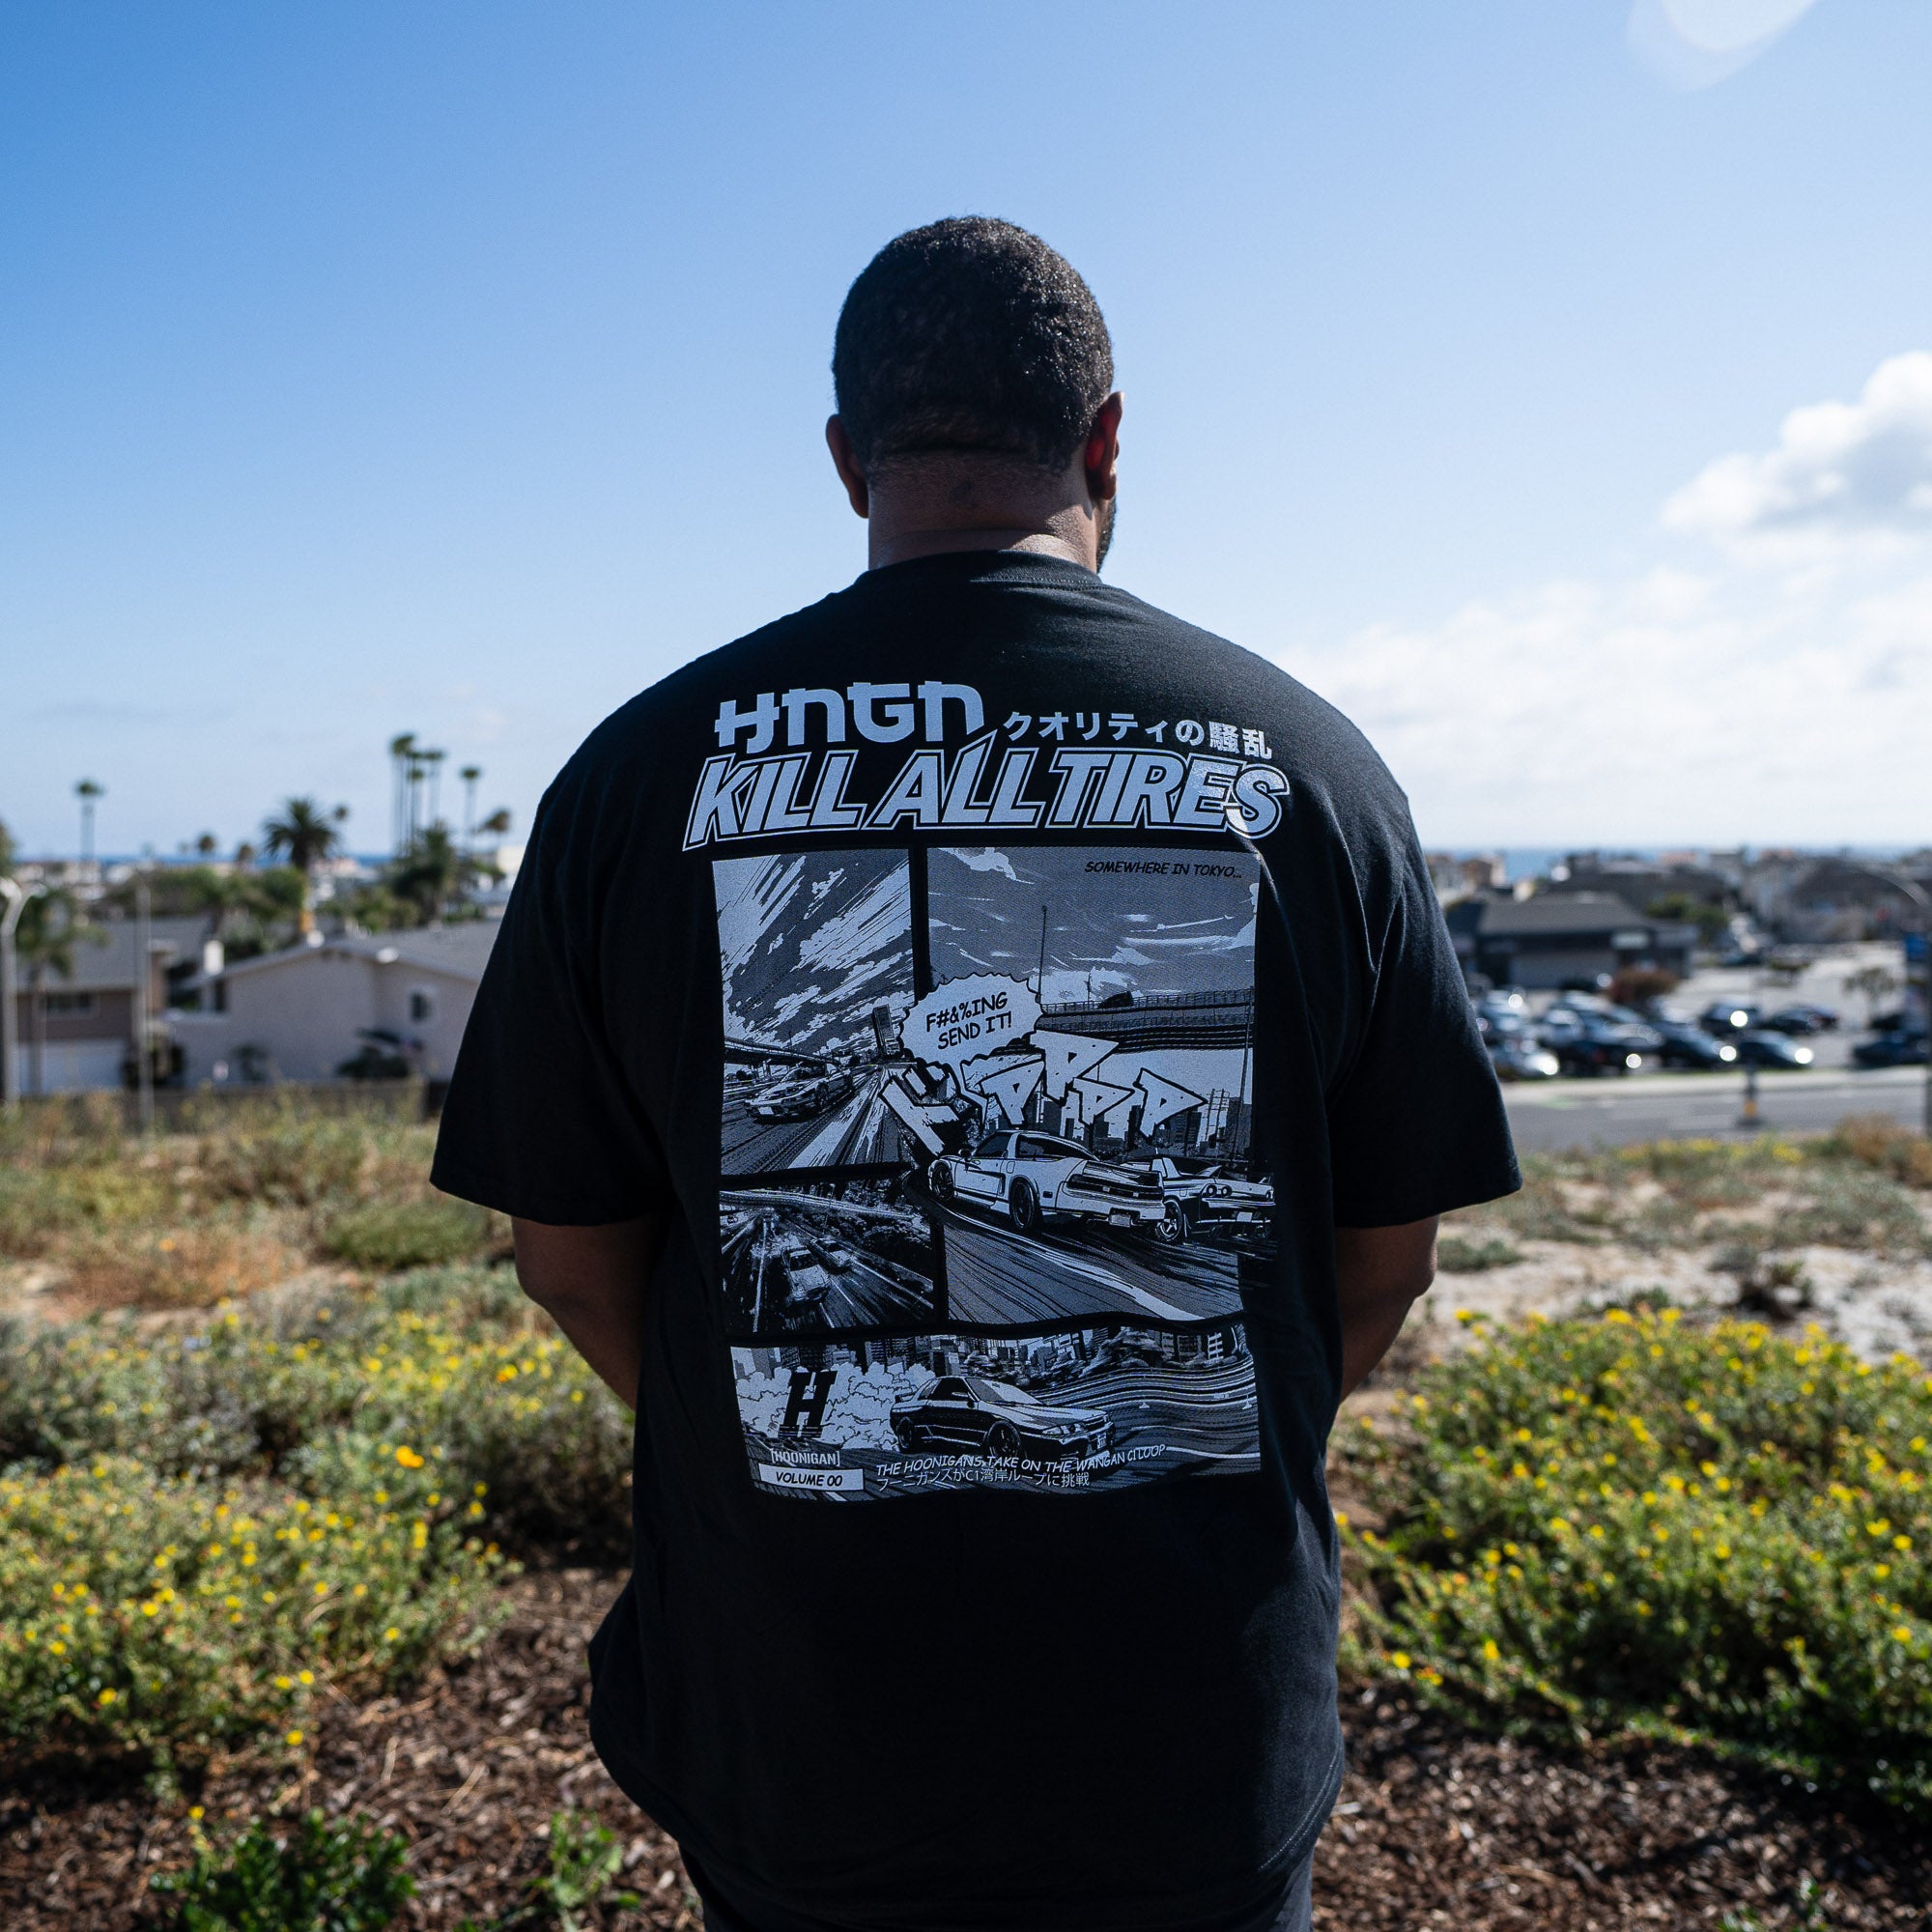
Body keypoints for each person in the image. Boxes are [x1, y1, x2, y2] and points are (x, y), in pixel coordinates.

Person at [432, 216, 1520, 1932]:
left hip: (805, 1735)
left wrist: (760, 1430)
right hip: (1191, 1733)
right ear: (1106, 441)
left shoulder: (636, 777)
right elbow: (1381, 1265)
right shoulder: (1315, 772)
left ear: (847, 458)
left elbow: (568, 1263)